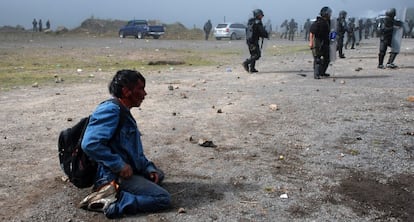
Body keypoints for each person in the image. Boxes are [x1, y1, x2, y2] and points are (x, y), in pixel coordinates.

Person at [80, 69, 171, 219]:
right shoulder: (111, 110)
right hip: (112, 174)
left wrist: (148, 168)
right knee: (162, 199)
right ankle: (112, 203)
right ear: (126, 91)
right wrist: (119, 165)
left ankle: (120, 191)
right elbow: (90, 143)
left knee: (158, 174)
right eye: (140, 89)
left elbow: (133, 152)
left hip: (126, 170)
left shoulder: (123, 112)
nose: (145, 93)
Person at [242, 9, 269, 73]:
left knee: (253, 54)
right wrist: (266, 35)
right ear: (257, 15)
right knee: (257, 55)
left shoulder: (250, 22)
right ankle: (246, 63)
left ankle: (252, 68)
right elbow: (261, 31)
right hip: (254, 41)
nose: (262, 16)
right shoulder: (258, 22)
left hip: (249, 41)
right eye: (260, 15)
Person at [309, 6, 332, 79]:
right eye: (329, 13)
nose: (330, 15)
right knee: (317, 59)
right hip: (317, 43)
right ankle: (316, 74)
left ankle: (322, 72)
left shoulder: (328, 22)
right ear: (325, 14)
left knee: (327, 58)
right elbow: (312, 33)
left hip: (325, 42)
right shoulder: (318, 22)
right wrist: (311, 43)